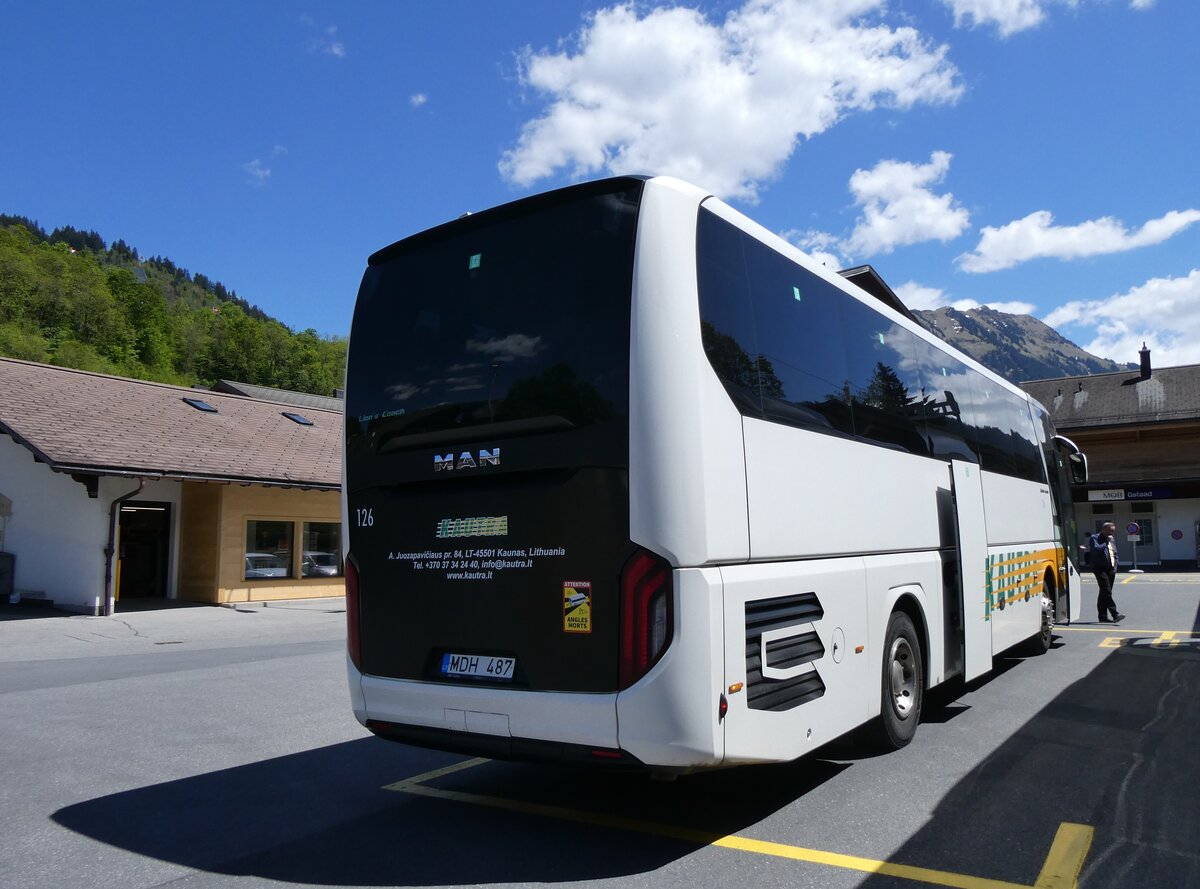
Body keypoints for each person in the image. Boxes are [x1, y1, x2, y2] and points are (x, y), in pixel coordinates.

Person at [1085, 522, 1126, 623]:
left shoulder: (1111, 539)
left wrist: (1116, 565)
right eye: (1110, 531)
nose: (1112, 533)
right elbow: (1096, 550)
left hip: (1111, 568)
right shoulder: (1095, 538)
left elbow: (1114, 552)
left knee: (1104, 592)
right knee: (1106, 591)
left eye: (1113, 531)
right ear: (1104, 529)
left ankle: (1102, 617)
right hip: (1099, 568)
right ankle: (1115, 614)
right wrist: (1106, 542)